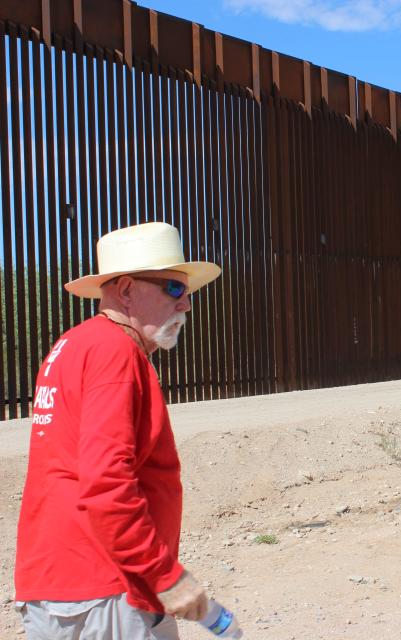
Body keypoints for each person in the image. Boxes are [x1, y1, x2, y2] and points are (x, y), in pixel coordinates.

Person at [15, 222, 221, 639]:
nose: (186, 306)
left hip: (57, 581)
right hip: (108, 588)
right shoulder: (115, 353)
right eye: (174, 290)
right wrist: (163, 575)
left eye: (188, 293)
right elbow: (106, 481)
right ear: (126, 290)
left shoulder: (72, 345)